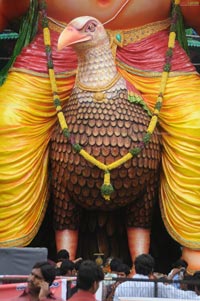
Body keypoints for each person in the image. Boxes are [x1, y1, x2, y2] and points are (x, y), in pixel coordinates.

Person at [0, 0, 200, 273]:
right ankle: (9, 251)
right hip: (57, 52)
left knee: (196, 124)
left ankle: (195, 253)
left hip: (153, 53)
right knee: (8, 120)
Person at [113, 254, 200, 301]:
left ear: (135, 268)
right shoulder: (158, 287)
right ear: (152, 270)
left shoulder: (121, 287)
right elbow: (181, 296)